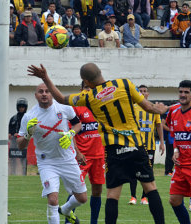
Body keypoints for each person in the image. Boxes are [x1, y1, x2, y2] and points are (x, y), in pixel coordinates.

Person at [27, 62, 168, 224]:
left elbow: (60, 98)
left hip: (114, 151)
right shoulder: (124, 83)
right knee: (150, 188)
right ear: (100, 72)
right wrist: (161, 109)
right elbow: (149, 107)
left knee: (113, 195)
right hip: (136, 145)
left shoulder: (89, 96)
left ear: (86, 82)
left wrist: (45, 77)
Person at [17, 83, 87, 224]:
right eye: (40, 91)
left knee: (82, 198)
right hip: (47, 162)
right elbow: (20, 145)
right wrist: (28, 134)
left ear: (52, 94)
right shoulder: (29, 116)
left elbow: (77, 124)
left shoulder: (64, 108)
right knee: (52, 199)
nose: (44, 94)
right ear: (36, 95)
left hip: (68, 159)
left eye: (47, 91)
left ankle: (66, 210)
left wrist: (70, 133)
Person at [65, 81, 105, 224]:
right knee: (76, 190)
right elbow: (71, 132)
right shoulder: (76, 108)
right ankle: (68, 220)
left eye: (92, 88)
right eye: (87, 87)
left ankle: (94, 221)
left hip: (99, 156)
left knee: (97, 191)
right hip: (82, 156)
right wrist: (77, 152)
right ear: (81, 89)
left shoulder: (101, 107)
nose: (89, 90)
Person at [166, 80, 191, 224]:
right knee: (174, 200)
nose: (182, 95)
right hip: (180, 166)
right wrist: (175, 150)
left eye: (186, 92)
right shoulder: (173, 111)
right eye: (180, 92)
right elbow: (175, 135)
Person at [128, 85, 165, 205]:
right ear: (137, 93)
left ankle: (145, 197)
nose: (143, 93)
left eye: (145, 91)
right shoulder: (132, 108)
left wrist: (162, 143)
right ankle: (133, 197)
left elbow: (159, 125)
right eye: (141, 91)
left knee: (148, 171)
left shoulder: (153, 108)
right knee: (133, 170)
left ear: (148, 94)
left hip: (150, 146)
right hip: (135, 145)